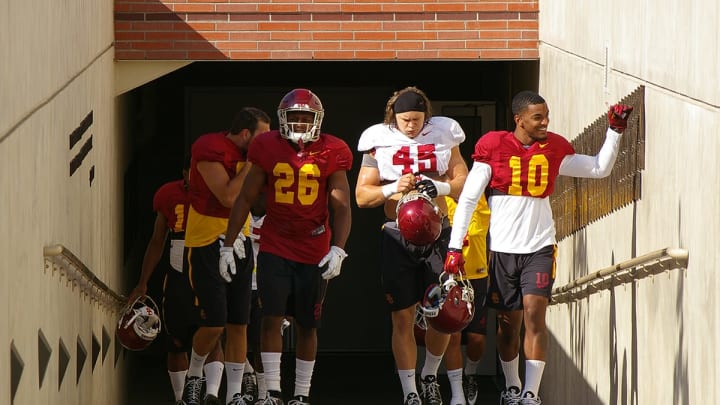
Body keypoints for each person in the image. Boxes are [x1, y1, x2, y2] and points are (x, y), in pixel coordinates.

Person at [444, 90, 633, 404]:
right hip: (503, 249)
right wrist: (454, 248)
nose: (546, 122)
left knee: (535, 314)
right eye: (538, 117)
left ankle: (531, 393)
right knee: (508, 326)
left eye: (546, 116)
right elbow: (467, 200)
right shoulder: (493, 146)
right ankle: (514, 385)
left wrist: (614, 131)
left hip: (540, 246)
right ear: (519, 120)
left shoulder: (554, 147)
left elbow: (599, 168)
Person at [222, 88, 353, 405]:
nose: (297, 123)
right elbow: (246, 197)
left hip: (313, 248)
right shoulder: (266, 146)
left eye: (304, 117)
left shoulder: (332, 150)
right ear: (282, 118)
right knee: (271, 317)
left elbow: (343, 206)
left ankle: (301, 395)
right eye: (292, 116)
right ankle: (273, 392)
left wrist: (338, 248)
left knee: (308, 324)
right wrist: (228, 244)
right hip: (275, 244)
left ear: (317, 120)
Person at [355, 86, 469, 405]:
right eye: (405, 119)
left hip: (437, 231)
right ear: (394, 116)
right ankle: (410, 393)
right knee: (401, 316)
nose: (411, 126)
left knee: (442, 311)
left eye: (417, 120)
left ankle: (430, 374)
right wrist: (393, 186)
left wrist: (440, 185)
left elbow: (464, 183)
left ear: (426, 116)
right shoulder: (379, 141)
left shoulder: (442, 136)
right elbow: (362, 196)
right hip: (397, 233)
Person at [181, 107, 272, 405]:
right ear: (246, 134)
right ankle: (194, 375)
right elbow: (229, 197)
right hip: (207, 239)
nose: (266, 142)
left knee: (239, 322)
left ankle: (234, 393)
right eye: (261, 136)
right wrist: (251, 164)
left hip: (240, 240)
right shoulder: (209, 148)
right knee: (215, 322)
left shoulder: (252, 155)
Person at [126, 160, 223, 405]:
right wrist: (142, 283)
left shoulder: (220, 194)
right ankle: (181, 398)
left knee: (213, 333)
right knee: (176, 340)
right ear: (184, 172)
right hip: (179, 277)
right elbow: (157, 240)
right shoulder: (169, 194)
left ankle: (211, 393)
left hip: (209, 272)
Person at [441, 195, 490, 405]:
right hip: (451, 276)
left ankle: (471, 374)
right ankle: (457, 392)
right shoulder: (443, 198)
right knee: (452, 337)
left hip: (477, 277)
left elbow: (482, 230)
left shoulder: (478, 198)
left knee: (476, 339)